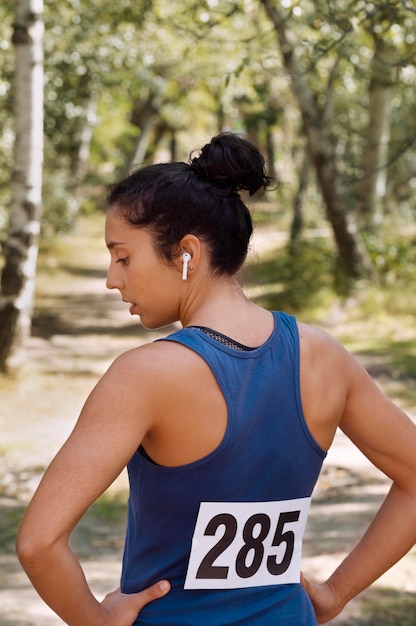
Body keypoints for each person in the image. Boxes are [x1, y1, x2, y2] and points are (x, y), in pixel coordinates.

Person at [16, 132, 416, 626]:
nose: (111, 279)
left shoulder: (145, 375)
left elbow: (38, 542)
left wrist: (96, 622)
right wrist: (335, 594)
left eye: (123, 257)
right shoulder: (324, 356)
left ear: (187, 252)